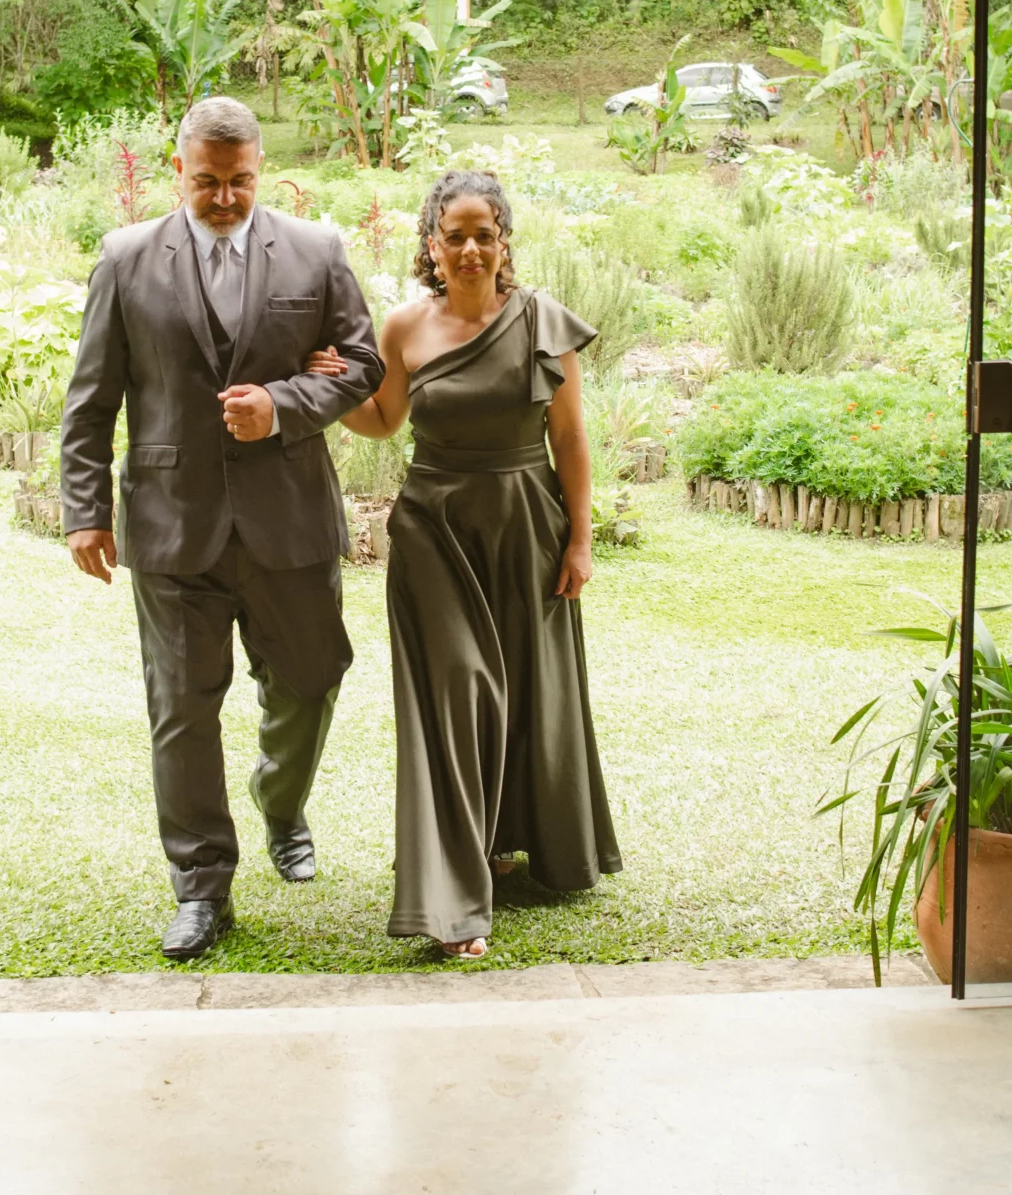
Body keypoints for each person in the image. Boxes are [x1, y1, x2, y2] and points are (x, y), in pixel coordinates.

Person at [61, 95, 384, 962]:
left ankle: (281, 803)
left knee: (312, 678)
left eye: (239, 181)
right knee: (181, 710)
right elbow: (90, 400)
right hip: (172, 523)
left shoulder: (316, 252)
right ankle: (202, 885)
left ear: (259, 169)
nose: (225, 198)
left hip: (289, 519)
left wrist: (282, 404)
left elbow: (362, 363)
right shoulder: (125, 259)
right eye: (207, 182)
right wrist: (85, 511)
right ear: (179, 171)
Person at [309, 167, 620, 958]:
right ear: (431, 244)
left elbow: (569, 438)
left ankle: (503, 842)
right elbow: (384, 420)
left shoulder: (543, 321)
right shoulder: (403, 328)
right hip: (433, 532)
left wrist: (579, 540)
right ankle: (450, 900)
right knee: (455, 692)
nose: (471, 249)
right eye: (456, 236)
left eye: (485, 235)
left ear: (503, 241)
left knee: (525, 689)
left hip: (524, 526)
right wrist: (336, 391)